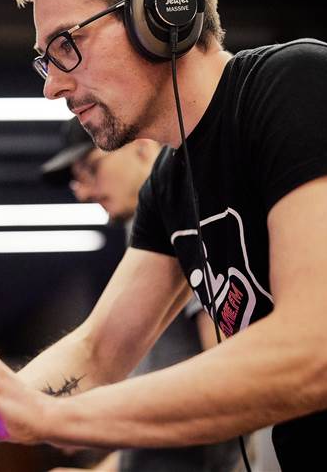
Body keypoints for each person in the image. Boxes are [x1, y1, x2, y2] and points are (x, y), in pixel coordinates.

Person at [0, 0, 327, 470]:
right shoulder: (169, 184)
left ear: (160, 11)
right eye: (45, 60)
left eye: (66, 45)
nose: (52, 86)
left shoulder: (297, 86)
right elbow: (97, 353)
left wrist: (49, 417)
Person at [41, 117, 243, 471]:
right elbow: (100, 353)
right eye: (77, 179)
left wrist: (94, 416)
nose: (84, 192)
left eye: (91, 168)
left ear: (143, 147)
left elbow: (230, 376)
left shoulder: (185, 228)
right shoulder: (150, 235)